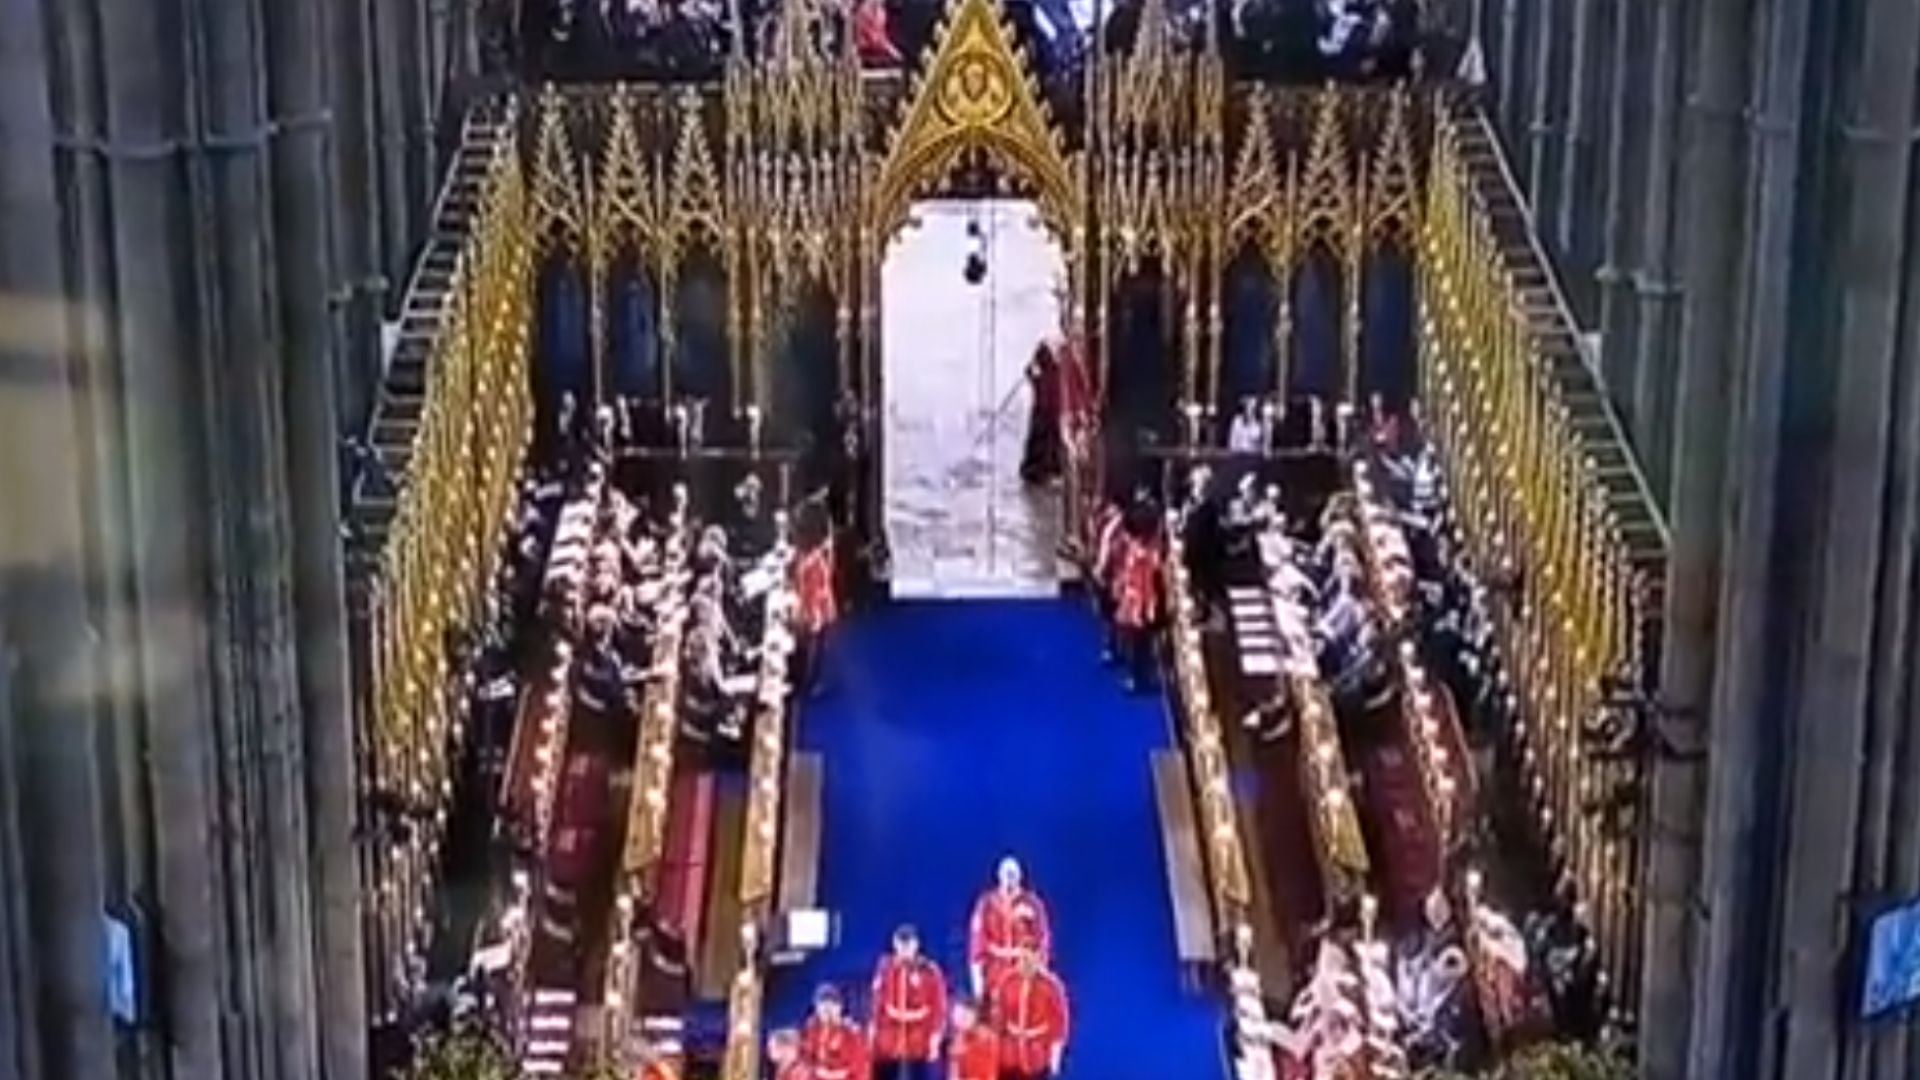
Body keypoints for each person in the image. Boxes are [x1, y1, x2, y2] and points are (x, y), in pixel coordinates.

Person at [871, 925, 947, 1080]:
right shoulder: (886, 968)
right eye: (901, 943)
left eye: (908, 943)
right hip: (890, 1042)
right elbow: (878, 1003)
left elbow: (939, 1007)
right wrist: (874, 1031)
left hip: (919, 1042)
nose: (904, 948)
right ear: (895, 944)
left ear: (916, 945)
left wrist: (935, 1037)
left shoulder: (930, 971)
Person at [967, 857, 1051, 998]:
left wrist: (1040, 972)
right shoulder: (987, 904)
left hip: (1023, 974)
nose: (1009, 879)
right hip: (995, 978)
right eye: (1006, 875)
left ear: (1020, 877)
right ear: (999, 876)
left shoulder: (1032, 904)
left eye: (1013, 875)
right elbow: (977, 944)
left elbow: (1042, 940)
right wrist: (978, 984)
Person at [985, 949, 1070, 1080]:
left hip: (1037, 1056)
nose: (1026, 964)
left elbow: (1059, 1025)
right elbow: (997, 1017)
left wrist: (1055, 1060)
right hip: (1009, 1056)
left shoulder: (1051, 986)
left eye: (1031, 960)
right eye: (1023, 959)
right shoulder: (1007, 980)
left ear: (1039, 959)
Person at [1110, 517, 1164, 692]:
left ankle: (1138, 678)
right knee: (1139, 643)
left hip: (1137, 602)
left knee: (1138, 642)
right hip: (1137, 601)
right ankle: (1139, 677)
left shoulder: (1139, 553)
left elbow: (1143, 582)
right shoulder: (1143, 552)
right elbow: (1139, 580)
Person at [794, 521, 838, 696]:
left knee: (815, 648)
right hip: (814, 610)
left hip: (816, 611)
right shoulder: (812, 561)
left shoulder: (812, 563)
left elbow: (817, 591)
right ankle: (808, 682)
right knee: (813, 649)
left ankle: (811, 683)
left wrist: (812, 615)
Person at [801, 985, 870, 1080]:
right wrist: (816, 1070)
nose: (827, 1014)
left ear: (839, 1008)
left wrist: (835, 1075)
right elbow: (805, 1057)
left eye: (830, 1009)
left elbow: (859, 1065)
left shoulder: (852, 1032)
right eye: (823, 1010)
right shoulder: (812, 1028)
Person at [1020, 342, 1064, 487]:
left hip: (1047, 413)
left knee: (1043, 445)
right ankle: (1041, 471)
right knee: (1043, 445)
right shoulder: (1051, 371)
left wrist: (1030, 372)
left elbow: (1032, 377)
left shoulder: (1051, 372)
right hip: (1046, 413)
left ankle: (1042, 471)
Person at [946, 1000, 999, 1080]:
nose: (961, 1021)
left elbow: (987, 1073)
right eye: (961, 1017)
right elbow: (953, 1072)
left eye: (965, 1017)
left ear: (975, 1017)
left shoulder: (986, 1038)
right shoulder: (960, 1036)